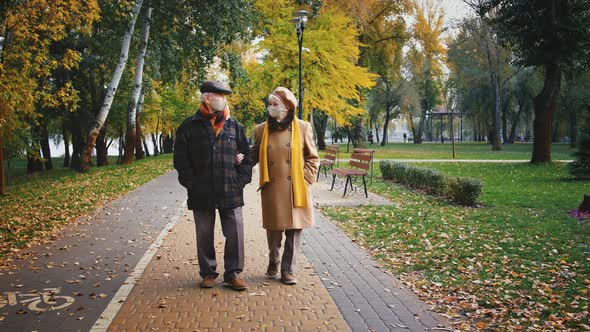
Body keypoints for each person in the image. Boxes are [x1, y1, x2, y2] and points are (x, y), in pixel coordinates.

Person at [173, 80, 252, 291]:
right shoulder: (189, 126)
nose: (223, 100)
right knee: (204, 234)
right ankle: (208, 273)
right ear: (207, 98)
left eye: (225, 97)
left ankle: (233, 274)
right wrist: (192, 184)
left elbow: (247, 159)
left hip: (230, 190)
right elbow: (181, 161)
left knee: (235, 232)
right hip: (202, 192)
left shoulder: (234, 126)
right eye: (220, 96)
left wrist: (240, 180)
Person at [252, 87, 319, 285]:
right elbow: (254, 154)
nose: (271, 108)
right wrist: (240, 159)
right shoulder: (261, 129)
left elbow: (313, 158)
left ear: (287, 107)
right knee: (273, 232)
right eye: (270, 104)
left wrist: (305, 180)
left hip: (295, 188)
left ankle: (288, 270)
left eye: (275, 104)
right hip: (272, 188)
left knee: (294, 230)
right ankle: (274, 261)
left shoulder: (302, 127)